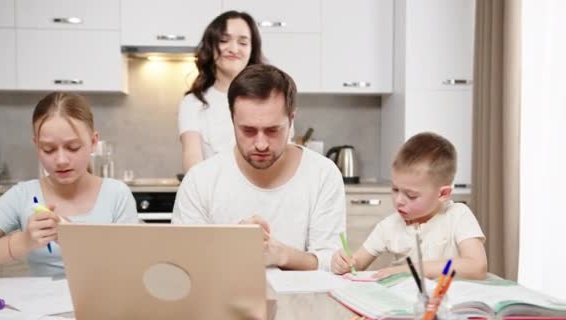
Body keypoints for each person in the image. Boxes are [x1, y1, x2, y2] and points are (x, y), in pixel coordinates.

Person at [172, 64, 345, 272]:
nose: (261, 144)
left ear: (291, 120)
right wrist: (229, 244)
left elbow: (331, 263)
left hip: (304, 303)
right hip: (222, 303)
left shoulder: (323, 175)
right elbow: (181, 266)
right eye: (248, 130)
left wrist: (282, 255)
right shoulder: (200, 180)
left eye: (273, 130)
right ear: (232, 120)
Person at [0, 92, 138, 277]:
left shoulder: (117, 194)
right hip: (41, 304)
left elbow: (135, 267)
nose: (61, 160)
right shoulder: (22, 196)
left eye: (73, 147)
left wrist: (78, 241)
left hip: (104, 304)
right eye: (48, 149)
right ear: (36, 146)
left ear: (93, 142)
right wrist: (22, 242)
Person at [331, 132, 487, 280]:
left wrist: (410, 270)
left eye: (411, 195)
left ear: (443, 194)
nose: (399, 200)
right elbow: (357, 264)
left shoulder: (458, 215)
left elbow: (477, 266)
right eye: (395, 189)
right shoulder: (388, 226)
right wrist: (344, 264)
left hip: (448, 303)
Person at [178, 10, 264, 172]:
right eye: (224, 40)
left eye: (243, 43)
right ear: (211, 46)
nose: (233, 48)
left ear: (252, 50)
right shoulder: (193, 103)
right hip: (211, 194)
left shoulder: (270, 98)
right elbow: (192, 164)